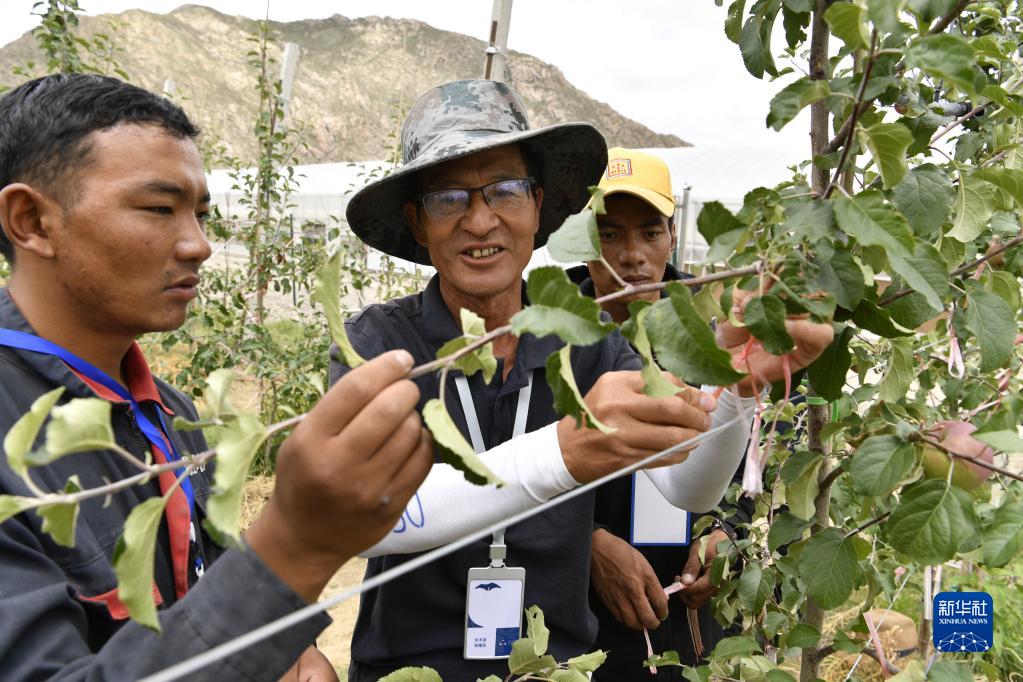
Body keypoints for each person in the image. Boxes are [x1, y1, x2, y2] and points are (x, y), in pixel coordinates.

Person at [331, 80, 833, 679]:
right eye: (448, 199)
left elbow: (687, 487)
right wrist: (562, 454)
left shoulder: (587, 340)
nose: (481, 220)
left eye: (505, 190)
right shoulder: (379, 345)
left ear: (538, 206)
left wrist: (736, 389)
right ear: (417, 222)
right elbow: (359, 519)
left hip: (558, 668)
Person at [0, 74, 433, 680]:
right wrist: (296, 547)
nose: (199, 245)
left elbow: (206, 585)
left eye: (200, 214)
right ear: (31, 221)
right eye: (159, 209)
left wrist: (288, 648)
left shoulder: (169, 415)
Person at [568, 147, 751, 677]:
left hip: (693, 617)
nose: (632, 256)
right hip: (580, 624)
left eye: (650, 232)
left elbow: (768, 452)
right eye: (609, 234)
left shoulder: (715, 330)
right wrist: (587, 543)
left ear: (671, 235)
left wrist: (728, 532)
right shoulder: (549, 338)